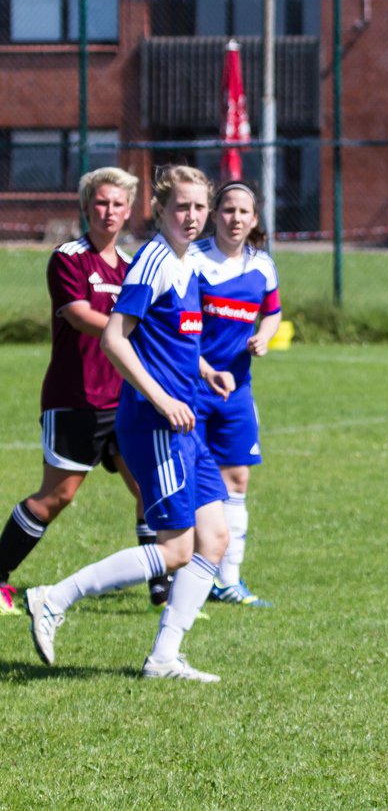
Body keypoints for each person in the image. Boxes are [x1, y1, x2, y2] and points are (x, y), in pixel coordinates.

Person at [24, 165, 231, 682]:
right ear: (160, 211)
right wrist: (161, 398)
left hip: (186, 420)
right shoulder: (155, 262)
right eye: (181, 207)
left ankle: (164, 657)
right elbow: (116, 338)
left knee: (215, 536)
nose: (192, 216)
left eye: (199, 208)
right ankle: (54, 597)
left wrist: (205, 369)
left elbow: (167, 339)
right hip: (156, 421)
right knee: (177, 548)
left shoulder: (187, 263)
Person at [0, 167, 175, 614]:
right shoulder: (69, 258)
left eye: (118, 204)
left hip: (127, 398)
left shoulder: (136, 265)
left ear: (129, 210)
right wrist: (129, 331)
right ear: (86, 207)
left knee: (148, 489)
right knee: (57, 497)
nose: (109, 211)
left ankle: (161, 586)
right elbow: (78, 314)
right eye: (101, 202)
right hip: (77, 398)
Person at [192, 181, 282, 608]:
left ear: (255, 219)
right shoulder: (192, 260)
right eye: (228, 210)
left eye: (243, 212)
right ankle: (182, 573)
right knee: (188, 483)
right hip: (189, 388)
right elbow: (175, 328)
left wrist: (263, 337)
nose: (235, 219)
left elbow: (273, 313)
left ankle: (228, 580)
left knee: (237, 480)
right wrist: (204, 368)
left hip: (236, 391)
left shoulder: (262, 266)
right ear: (215, 214)